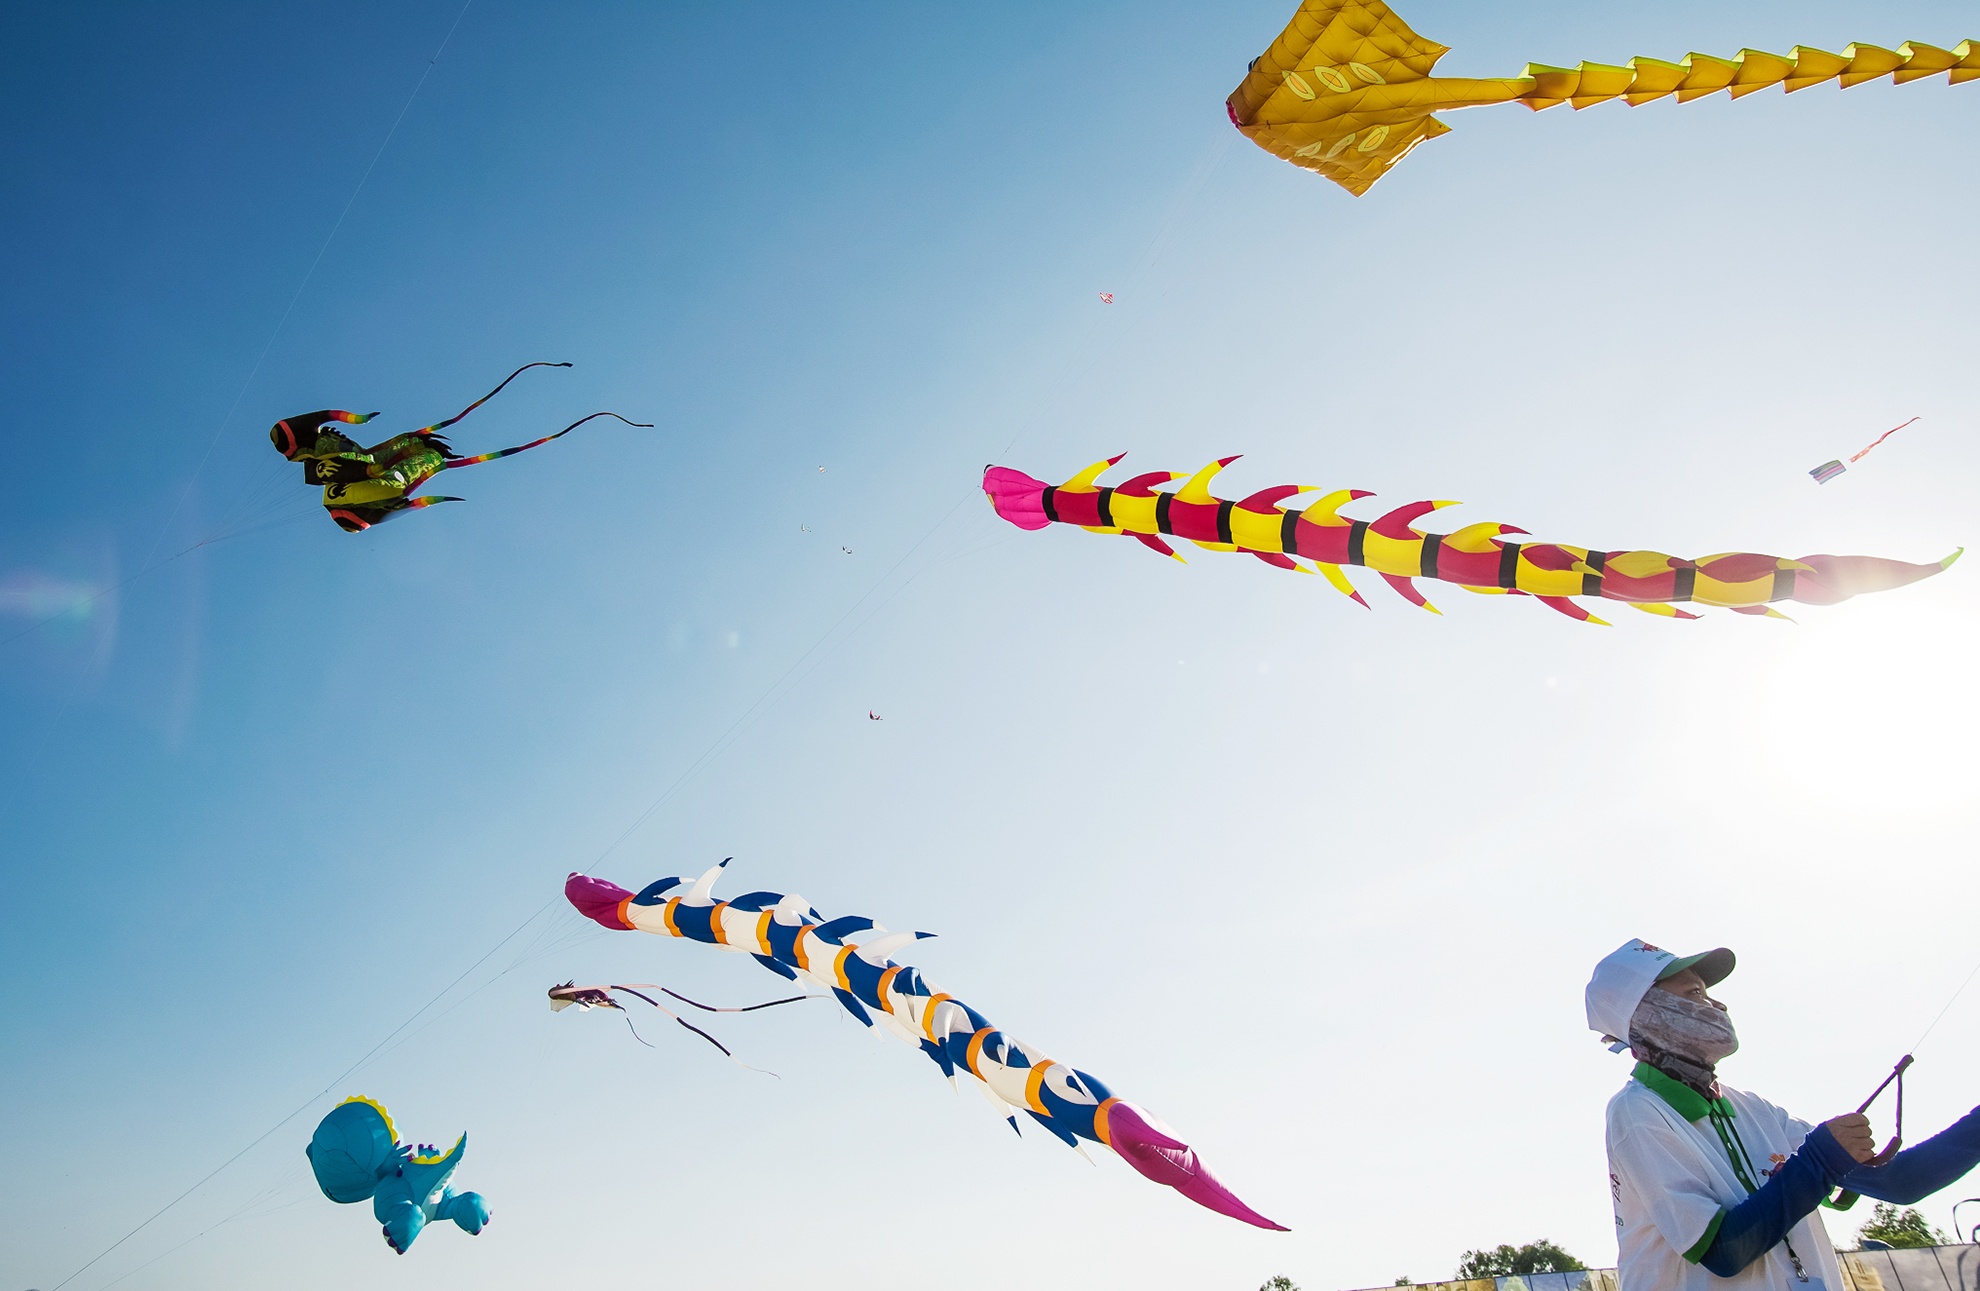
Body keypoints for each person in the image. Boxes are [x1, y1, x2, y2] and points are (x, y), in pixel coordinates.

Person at [1588, 939, 1980, 1290]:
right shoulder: (1637, 1113)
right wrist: (1819, 1160)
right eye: (1695, 993)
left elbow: (1899, 1182)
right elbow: (1724, 1251)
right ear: (1647, 1015)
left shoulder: (1755, 1109)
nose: (1718, 1006)